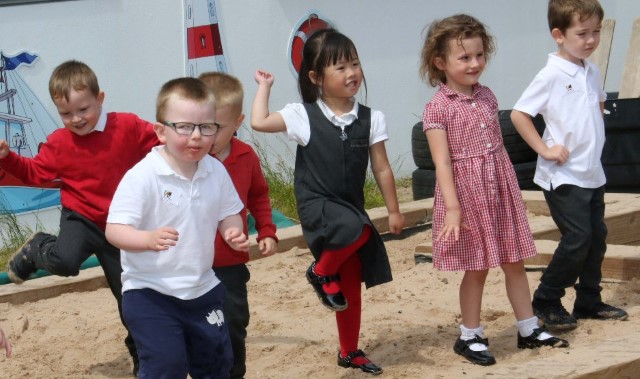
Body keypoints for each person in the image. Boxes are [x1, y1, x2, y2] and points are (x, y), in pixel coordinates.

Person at [251, 28, 405, 375]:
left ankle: (349, 351)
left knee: (349, 285)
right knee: (361, 229)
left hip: (349, 208)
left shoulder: (371, 118)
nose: (351, 73)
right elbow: (259, 122)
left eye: (354, 63)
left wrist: (394, 209)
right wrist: (265, 87)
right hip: (317, 205)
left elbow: (381, 168)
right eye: (340, 67)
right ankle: (319, 271)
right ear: (316, 77)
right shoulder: (302, 115)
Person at [420, 14, 570, 366]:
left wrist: (504, 186)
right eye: (464, 58)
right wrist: (454, 208)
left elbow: (496, 148)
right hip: (467, 197)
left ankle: (528, 328)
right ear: (440, 63)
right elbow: (442, 163)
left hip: (499, 190)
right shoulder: (437, 108)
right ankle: (469, 336)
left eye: (478, 55)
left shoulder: (487, 96)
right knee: (478, 267)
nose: (474, 64)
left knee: (514, 261)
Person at [0, 59, 157, 375]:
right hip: (81, 217)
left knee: (132, 298)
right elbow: (36, 172)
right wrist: (9, 158)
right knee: (66, 262)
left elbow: (162, 145)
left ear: (100, 98)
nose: (76, 119)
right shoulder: (59, 143)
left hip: (121, 226)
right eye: (66, 113)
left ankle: (142, 358)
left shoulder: (127, 126)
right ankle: (37, 248)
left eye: (83, 109)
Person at [105, 77, 249, 379]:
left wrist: (232, 231)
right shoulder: (143, 175)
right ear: (160, 131)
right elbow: (115, 230)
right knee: (166, 367)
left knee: (217, 366)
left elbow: (229, 213)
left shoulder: (216, 170)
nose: (196, 137)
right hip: (150, 292)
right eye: (184, 127)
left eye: (206, 127)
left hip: (203, 289)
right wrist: (147, 238)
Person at [511, 0, 628, 331]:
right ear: (559, 35)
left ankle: (588, 299)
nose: (591, 40)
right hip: (562, 175)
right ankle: (546, 299)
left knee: (597, 237)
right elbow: (520, 114)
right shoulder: (550, 74)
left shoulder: (591, 69)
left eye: (596, 32)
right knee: (577, 237)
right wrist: (544, 150)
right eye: (582, 33)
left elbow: (597, 104)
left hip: (592, 173)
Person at [199, 71, 278, 378]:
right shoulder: (188, 160)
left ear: (238, 123)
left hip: (230, 263)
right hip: (191, 264)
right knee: (199, 329)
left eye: (216, 128)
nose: (206, 135)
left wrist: (267, 230)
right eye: (201, 125)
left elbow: (259, 194)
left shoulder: (246, 157)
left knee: (233, 323)